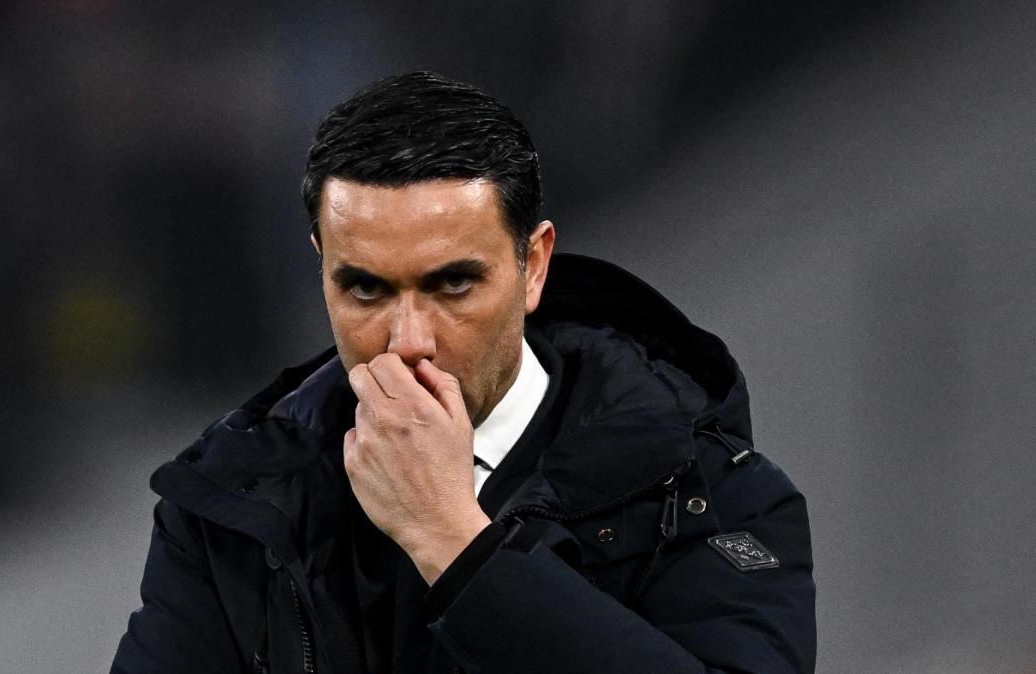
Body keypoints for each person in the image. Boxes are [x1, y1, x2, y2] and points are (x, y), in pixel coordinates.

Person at [111, 71, 816, 673]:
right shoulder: (230, 503)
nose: (408, 341)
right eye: (365, 289)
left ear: (532, 265)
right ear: (321, 265)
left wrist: (452, 540)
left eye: (453, 285)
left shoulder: (713, 493)